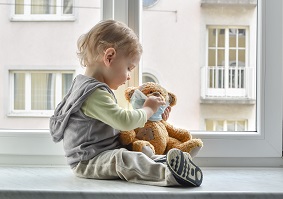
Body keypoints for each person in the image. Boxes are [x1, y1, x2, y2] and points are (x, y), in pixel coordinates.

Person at [49, 19, 203, 187]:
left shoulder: (86, 87)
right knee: (124, 160)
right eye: (129, 68)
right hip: (88, 161)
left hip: (101, 154)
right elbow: (123, 121)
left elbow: (118, 121)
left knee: (135, 154)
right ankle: (169, 175)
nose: (129, 76)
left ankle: (166, 162)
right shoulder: (93, 94)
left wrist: (154, 117)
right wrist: (148, 110)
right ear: (109, 57)